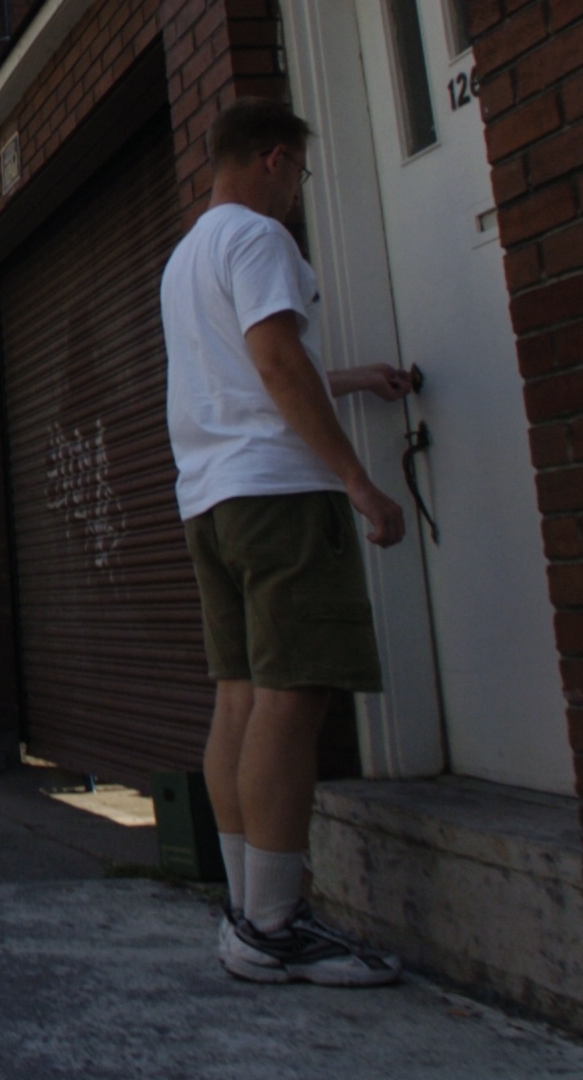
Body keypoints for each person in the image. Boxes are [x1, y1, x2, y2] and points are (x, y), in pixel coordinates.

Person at [162, 98, 412, 988]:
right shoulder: (261, 238)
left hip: (211, 501)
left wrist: (351, 378)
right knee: (292, 696)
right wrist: (357, 479)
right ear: (274, 159)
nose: (299, 190)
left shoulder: (188, 257)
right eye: (299, 172)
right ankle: (274, 925)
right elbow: (274, 362)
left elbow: (249, 374)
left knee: (238, 698)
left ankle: (247, 914)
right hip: (279, 495)